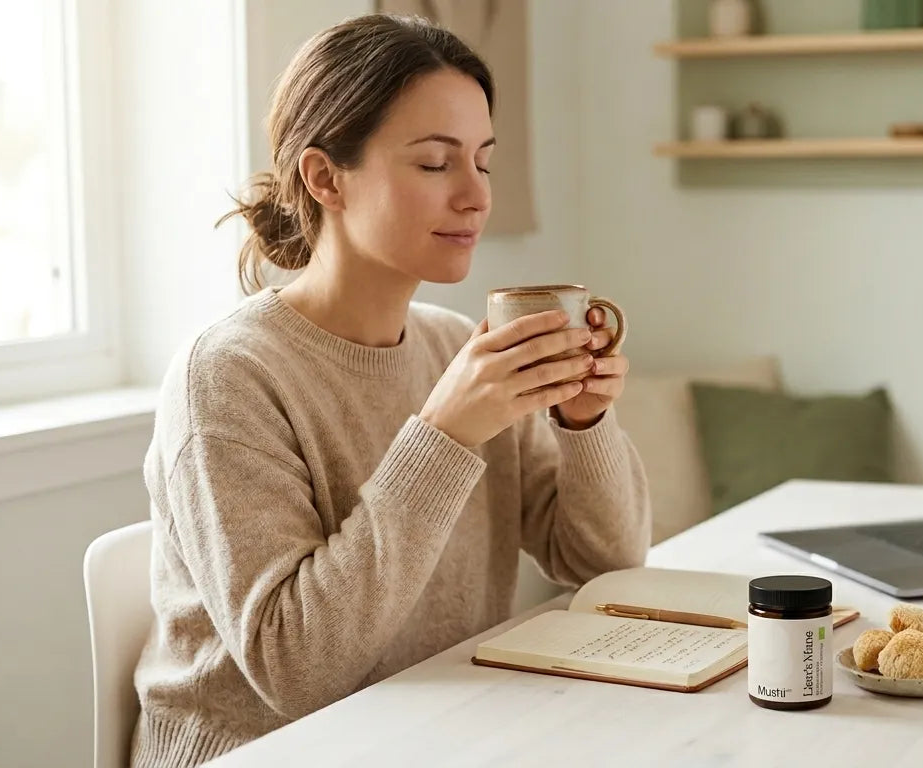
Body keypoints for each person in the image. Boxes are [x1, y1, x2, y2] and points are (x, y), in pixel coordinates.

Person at [131, 14, 649, 767]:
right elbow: (296, 672)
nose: (475, 196)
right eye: (436, 164)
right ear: (324, 177)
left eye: (484, 161)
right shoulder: (226, 376)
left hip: (436, 733)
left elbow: (603, 567)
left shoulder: (449, 344)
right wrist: (443, 436)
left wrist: (583, 422)